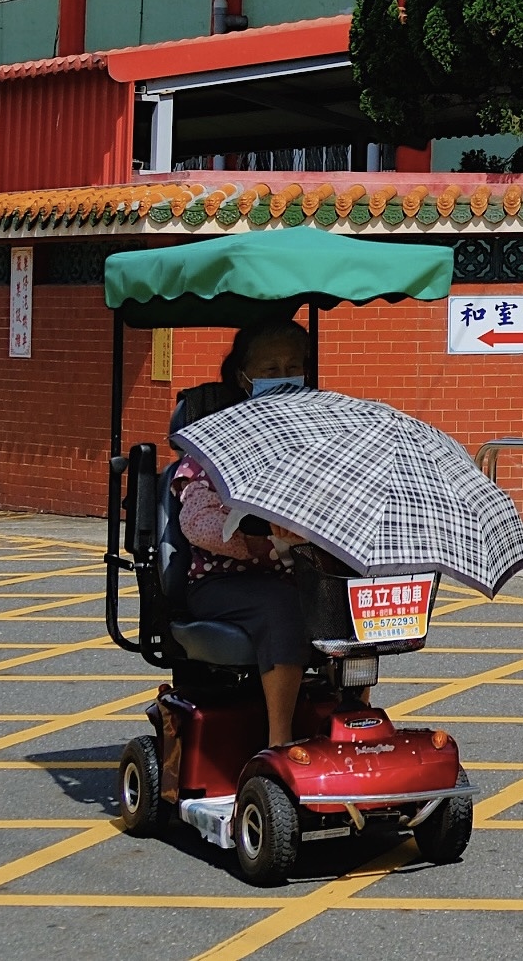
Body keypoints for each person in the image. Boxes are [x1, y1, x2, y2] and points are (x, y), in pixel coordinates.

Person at [171, 318, 319, 744]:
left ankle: (351, 718)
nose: (283, 377)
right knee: (282, 605)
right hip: (223, 580)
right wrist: (258, 542)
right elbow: (197, 522)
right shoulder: (214, 440)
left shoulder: (318, 438)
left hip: (298, 571)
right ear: (243, 376)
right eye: (270, 370)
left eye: (293, 367)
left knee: (353, 600)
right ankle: (280, 741)